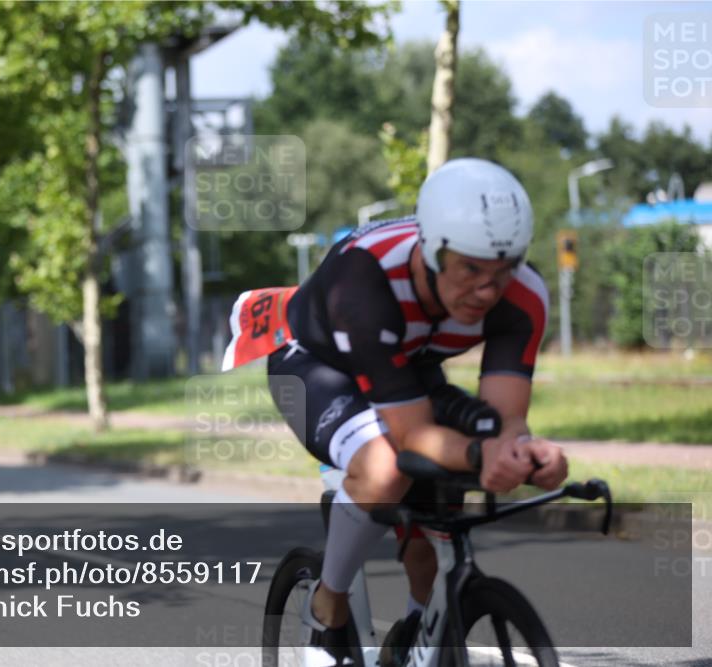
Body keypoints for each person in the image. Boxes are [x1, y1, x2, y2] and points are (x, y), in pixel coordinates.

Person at [221, 158, 568, 664]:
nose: (488, 291)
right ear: (431, 251)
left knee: (432, 537)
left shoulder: (523, 295)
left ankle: (413, 641)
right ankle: (327, 605)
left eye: (504, 270)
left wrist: (526, 452)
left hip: (406, 364)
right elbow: (411, 437)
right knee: (385, 469)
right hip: (316, 362)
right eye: (470, 269)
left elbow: (505, 418)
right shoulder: (364, 281)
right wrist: (480, 453)